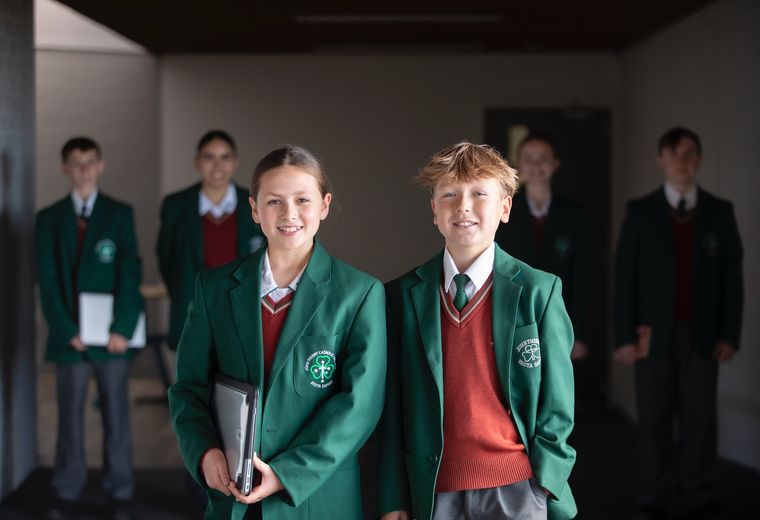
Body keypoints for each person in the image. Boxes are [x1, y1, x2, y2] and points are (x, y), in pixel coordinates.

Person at [168, 145, 387, 519]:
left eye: (303, 200)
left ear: (324, 205)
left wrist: (288, 474)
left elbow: (359, 407)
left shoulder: (360, 294)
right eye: (274, 202)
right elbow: (189, 387)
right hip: (234, 498)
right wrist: (204, 453)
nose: (289, 214)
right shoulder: (214, 289)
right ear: (254, 209)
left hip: (315, 498)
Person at [376, 142, 576, 520]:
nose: (463, 206)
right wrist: (393, 498)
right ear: (434, 210)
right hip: (434, 488)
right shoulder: (401, 296)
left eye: (479, 193)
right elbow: (392, 411)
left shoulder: (539, 290)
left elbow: (558, 401)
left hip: (518, 486)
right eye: (449, 194)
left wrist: (547, 479)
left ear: (505, 207)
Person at [614, 127, 743, 519]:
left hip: (703, 334)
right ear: (661, 161)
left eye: (689, 154)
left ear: (699, 159)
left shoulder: (720, 212)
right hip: (651, 334)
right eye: (673, 155)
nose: (682, 162)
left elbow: (732, 280)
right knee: (653, 417)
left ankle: (698, 490)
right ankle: (653, 491)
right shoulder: (640, 211)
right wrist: (622, 335)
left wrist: (729, 333)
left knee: (700, 418)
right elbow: (625, 277)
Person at [36, 137, 143, 520]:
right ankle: (67, 488)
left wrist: (123, 328)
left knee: (116, 414)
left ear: (101, 165)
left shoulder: (119, 213)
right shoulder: (48, 219)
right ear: (65, 168)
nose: (84, 169)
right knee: (69, 415)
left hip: (111, 337)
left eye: (90, 161)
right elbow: (46, 282)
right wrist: (66, 329)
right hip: (70, 338)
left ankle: (121, 491)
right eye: (76, 163)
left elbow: (130, 272)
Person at [157, 129, 265, 352]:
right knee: (194, 381)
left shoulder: (255, 204)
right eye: (209, 157)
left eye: (224, 157)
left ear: (234, 162)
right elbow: (166, 259)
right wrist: (183, 291)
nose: (217, 166)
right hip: (192, 307)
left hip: (241, 309)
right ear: (197, 162)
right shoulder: (175, 205)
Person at [495, 132, 589, 360]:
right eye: (528, 158)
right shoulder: (503, 213)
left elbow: (584, 277)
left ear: (555, 163)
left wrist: (580, 334)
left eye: (543, 158)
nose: (536, 165)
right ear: (517, 164)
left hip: (560, 317)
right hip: (513, 318)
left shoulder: (574, 215)